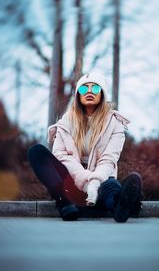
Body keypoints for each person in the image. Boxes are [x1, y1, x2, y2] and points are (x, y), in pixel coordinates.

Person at [28, 73, 142, 222]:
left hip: (100, 181)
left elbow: (108, 159)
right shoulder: (66, 122)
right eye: (83, 89)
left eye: (95, 88)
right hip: (71, 184)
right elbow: (61, 156)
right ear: (77, 95)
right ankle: (65, 204)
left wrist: (94, 184)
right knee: (36, 152)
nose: (89, 92)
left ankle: (119, 207)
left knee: (110, 187)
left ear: (102, 94)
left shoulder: (115, 124)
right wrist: (86, 182)